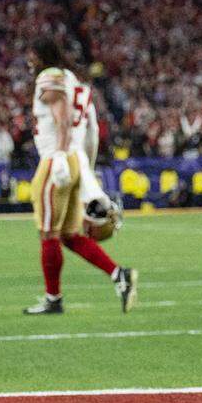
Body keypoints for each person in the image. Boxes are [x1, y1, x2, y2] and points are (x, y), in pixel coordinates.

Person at [23, 39, 137, 316]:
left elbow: (61, 117)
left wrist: (61, 156)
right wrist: (85, 171)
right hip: (75, 158)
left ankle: (53, 299)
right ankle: (118, 275)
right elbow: (92, 135)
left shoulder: (50, 77)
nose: (29, 61)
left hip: (56, 159)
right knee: (68, 234)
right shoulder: (80, 86)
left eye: (31, 55)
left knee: (48, 232)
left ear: (41, 56)